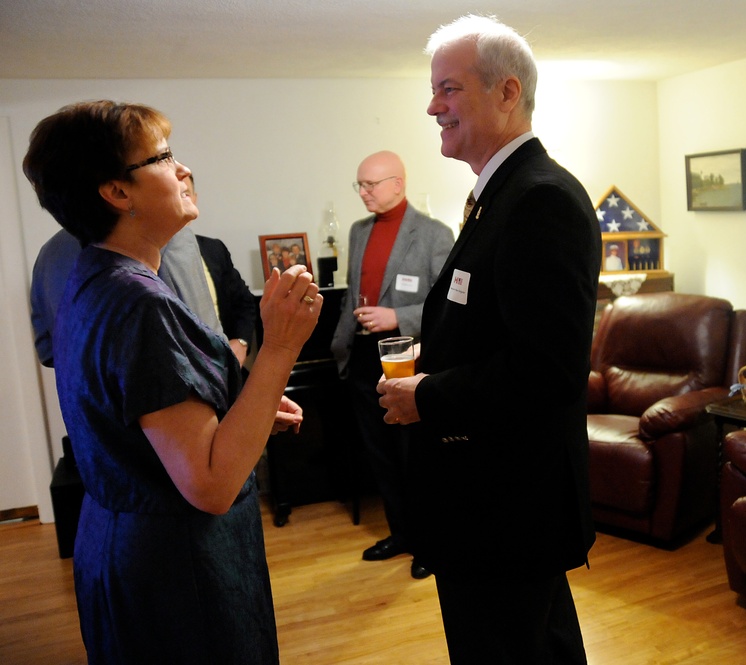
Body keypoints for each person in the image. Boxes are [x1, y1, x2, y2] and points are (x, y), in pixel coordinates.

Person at [22, 99, 322, 664]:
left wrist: (242, 409)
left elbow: (146, 422)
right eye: (163, 157)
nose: (183, 169)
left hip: (121, 542)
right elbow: (210, 484)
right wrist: (280, 345)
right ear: (117, 192)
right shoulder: (140, 303)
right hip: (175, 573)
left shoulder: (96, 278)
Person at [376, 15, 601, 664]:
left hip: (507, 508)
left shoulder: (540, 200)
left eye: (447, 88)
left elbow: (546, 370)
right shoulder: (497, 195)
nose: (430, 106)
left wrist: (428, 395)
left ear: (506, 92)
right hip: (491, 503)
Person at [330, 150, 454, 580]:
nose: (363, 192)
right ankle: (401, 534)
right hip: (364, 358)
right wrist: (340, 348)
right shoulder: (358, 231)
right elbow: (352, 295)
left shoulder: (435, 234)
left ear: (397, 184)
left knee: (413, 454)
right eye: (359, 185)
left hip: (406, 359)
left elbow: (445, 306)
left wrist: (396, 317)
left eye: (371, 184)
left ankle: (429, 543)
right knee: (380, 455)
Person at [30, 225, 223, 368]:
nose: (181, 172)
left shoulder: (48, 253)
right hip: (173, 408)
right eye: (163, 166)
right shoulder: (166, 233)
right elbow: (207, 346)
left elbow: (47, 351)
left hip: (89, 414)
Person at [189, 176, 258, 368]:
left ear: (195, 199)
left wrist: (241, 342)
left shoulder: (214, 249)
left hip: (225, 367)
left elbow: (245, 302)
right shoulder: (149, 257)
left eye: (186, 193)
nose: (182, 199)